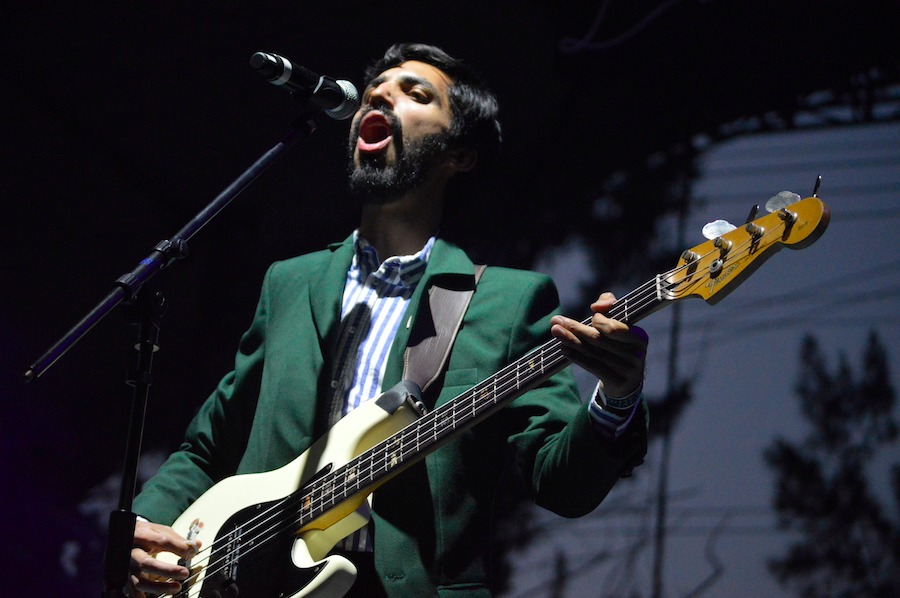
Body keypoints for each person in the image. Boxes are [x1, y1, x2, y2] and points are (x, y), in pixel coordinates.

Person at [127, 43, 649, 597]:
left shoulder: (509, 300)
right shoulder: (291, 283)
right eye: (375, 89)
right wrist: (139, 528)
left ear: (459, 154)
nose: (379, 94)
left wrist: (617, 397)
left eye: (416, 94)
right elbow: (209, 448)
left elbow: (562, 486)